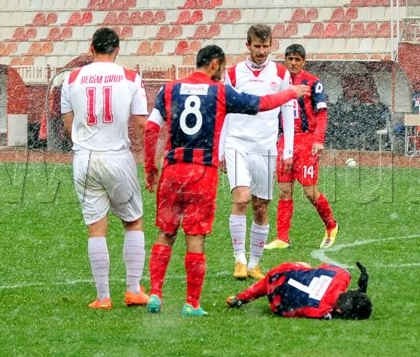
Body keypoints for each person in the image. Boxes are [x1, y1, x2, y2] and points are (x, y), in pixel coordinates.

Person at [144, 44, 310, 316]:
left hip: (173, 168)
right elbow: (261, 104)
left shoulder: (170, 88)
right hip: (201, 171)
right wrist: (290, 93)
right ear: (214, 65)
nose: (222, 74)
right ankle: (192, 303)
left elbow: (151, 128)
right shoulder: (219, 91)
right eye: (220, 69)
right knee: (195, 237)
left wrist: (150, 167)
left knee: (166, 232)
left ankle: (155, 294)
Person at [59, 27, 150, 310]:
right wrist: (150, 159)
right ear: (117, 50)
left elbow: (68, 124)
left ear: (91, 47)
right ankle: (133, 290)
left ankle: (102, 297)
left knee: (96, 228)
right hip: (117, 156)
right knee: (132, 221)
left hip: (84, 158)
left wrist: (85, 143)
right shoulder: (131, 78)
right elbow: (141, 123)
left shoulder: (71, 79)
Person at [222, 24, 297, 282]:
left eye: (266, 46)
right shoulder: (232, 73)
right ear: (248, 45)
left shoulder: (280, 73)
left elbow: (288, 108)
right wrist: (221, 149)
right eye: (257, 46)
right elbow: (225, 112)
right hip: (237, 144)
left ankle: (254, 263)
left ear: (271, 45)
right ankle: (239, 260)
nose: (261, 51)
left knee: (261, 207)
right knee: (241, 199)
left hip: (265, 147)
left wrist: (288, 148)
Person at [268, 44, 337, 251]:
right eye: (290, 59)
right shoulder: (278, 82)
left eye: (298, 60)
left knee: (309, 191)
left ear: (303, 62)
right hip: (284, 141)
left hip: (306, 141)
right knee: (284, 191)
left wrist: (318, 139)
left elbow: (322, 113)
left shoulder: (313, 82)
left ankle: (331, 225)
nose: (294, 63)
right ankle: (282, 238)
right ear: (285, 60)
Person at [226, 260, 372, 319]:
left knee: (306, 267)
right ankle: (242, 297)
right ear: (340, 311)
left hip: (280, 273)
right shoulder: (321, 311)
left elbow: (324, 266)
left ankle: (241, 297)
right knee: (284, 289)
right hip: (278, 303)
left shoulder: (342, 276)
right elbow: (329, 311)